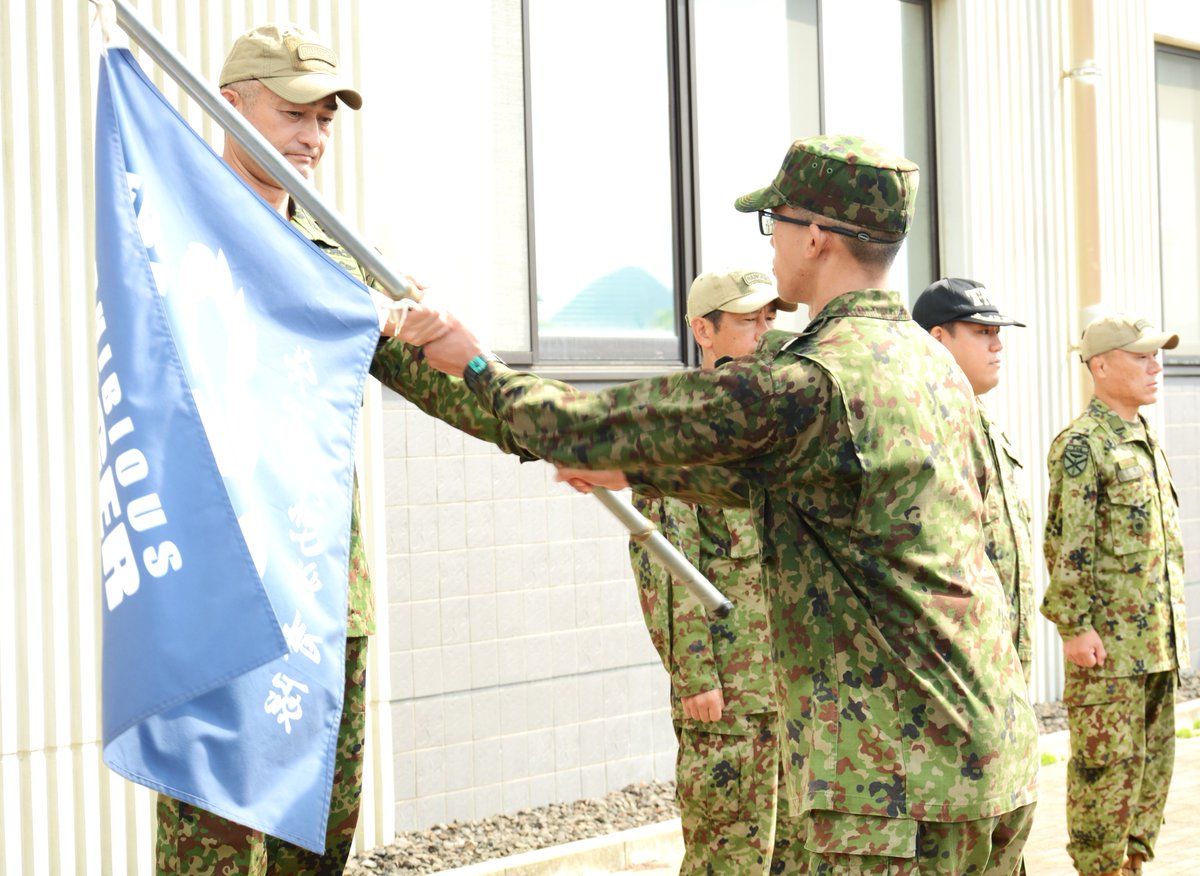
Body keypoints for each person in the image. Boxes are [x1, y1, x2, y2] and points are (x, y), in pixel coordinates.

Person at [399, 134, 1040, 874]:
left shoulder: (810, 381)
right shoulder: (927, 365)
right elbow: (805, 489)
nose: (772, 248)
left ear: (817, 237)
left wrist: (472, 360)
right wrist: (640, 473)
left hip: (900, 784)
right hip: (989, 752)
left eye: (776, 225)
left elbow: (583, 423)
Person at [155, 23, 533, 875]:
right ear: (233, 105)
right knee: (213, 857)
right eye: (294, 112)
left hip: (327, 606)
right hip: (223, 602)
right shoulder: (177, 229)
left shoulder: (338, 260)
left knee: (315, 848)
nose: (312, 137)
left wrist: (544, 423)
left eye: (325, 118)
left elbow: (438, 379)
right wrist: (356, 314)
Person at [627, 269, 803, 873]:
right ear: (704, 330)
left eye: (768, 317)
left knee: (798, 856)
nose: (764, 330)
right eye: (747, 319)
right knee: (728, 856)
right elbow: (666, 561)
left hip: (794, 687)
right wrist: (695, 674)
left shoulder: (777, 424)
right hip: (731, 692)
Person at [1041, 314, 1189, 876]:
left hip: (1155, 644)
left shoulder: (1145, 436)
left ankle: (1133, 864)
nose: (1156, 367)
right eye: (1142, 357)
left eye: (1158, 356)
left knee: (1151, 775)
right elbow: (1066, 542)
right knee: (1106, 778)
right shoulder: (1083, 445)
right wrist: (1074, 627)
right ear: (1100, 366)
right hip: (1109, 653)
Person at [912, 278, 1034, 684]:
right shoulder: (923, 424)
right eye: (983, 332)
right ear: (938, 339)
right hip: (960, 663)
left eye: (997, 334)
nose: (997, 345)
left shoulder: (980, 419)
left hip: (1002, 653)